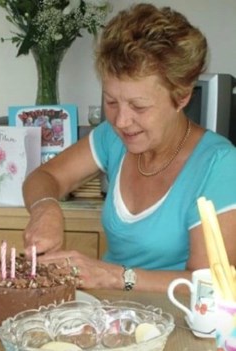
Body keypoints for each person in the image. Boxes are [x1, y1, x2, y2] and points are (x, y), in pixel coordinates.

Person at [22, 3, 236, 293]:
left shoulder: (220, 164)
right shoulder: (113, 138)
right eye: (111, 102)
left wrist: (113, 276)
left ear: (182, 97)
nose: (121, 121)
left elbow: (209, 285)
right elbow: (44, 177)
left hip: (180, 327)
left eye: (139, 106)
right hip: (112, 318)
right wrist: (45, 208)